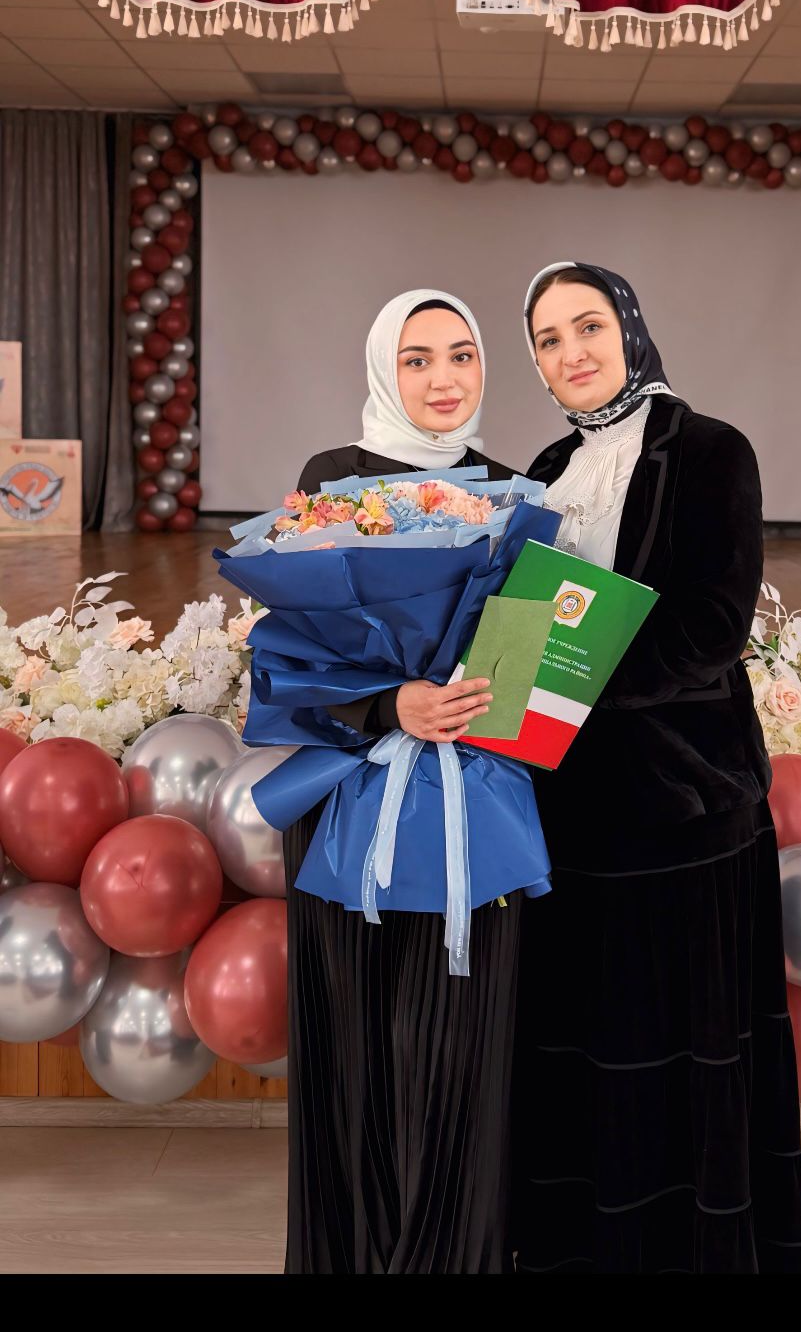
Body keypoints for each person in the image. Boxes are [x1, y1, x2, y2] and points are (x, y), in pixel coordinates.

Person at [511, 261, 801, 1275]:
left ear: (629, 329)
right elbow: (517, 627)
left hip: (681, 806)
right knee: (587, 1055)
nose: (572, 352)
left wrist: (565, 675)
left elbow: (708, 627)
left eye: (588, 326)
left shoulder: (709, 449)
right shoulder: (543, 468)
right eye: (548, 339)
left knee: (677, 1060)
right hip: (565, 810)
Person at [284, 289, 518, 1274]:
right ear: (386, 370)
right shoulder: (332, 480)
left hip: (473, 799)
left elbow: (526, 660)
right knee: (360, 1043)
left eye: (460, 354)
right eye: (416, 358)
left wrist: (494, 690)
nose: (443, 377)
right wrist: (394, 704)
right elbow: (294, 655)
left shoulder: (513, 491)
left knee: (460, 1046)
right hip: (354, 795)